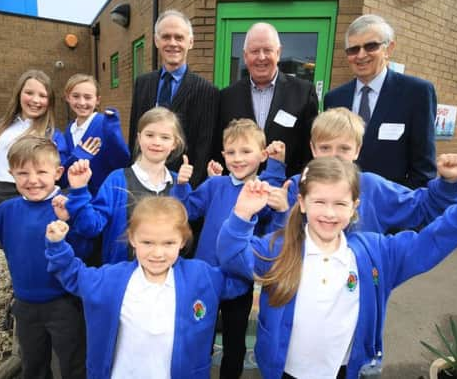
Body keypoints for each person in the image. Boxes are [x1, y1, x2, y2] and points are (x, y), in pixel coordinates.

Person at [217, 157, 457, 379]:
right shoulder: (278, 248)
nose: (329, 213)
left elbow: (428, 245)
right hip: (284, 370)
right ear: (301, 203)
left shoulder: (375, 252)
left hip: (345, 370)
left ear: (354, 207)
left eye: (340, 203)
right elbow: (232, 257)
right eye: (319, 202)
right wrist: (242, 214)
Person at [45, 196, 250, 379]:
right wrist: (57, 245)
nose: (158, 253)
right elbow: (74, 276)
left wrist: (243, 221)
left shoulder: (202, 277)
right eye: (148, 242)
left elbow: (240, 277)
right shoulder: (111, 279)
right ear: (133, 239)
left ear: (182, 241)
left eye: (168, 243)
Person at [0, 136, 88, 379]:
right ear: (11, 174)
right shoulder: (7, 210)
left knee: (73, 363)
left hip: (65, 302)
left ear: (58, 173)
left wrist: (70, 221)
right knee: (33, 363)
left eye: (41, 172)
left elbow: (85, 247)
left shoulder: (66, 206)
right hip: (25, 304)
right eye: (23, 173)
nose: (33, 180)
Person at [174, 118, 288, 379]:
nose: (238, 159)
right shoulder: (215, 185)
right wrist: (181, 185)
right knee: (199, 336)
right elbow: (187, 211)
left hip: (239, 282)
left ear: (262, 155)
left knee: (235, 344)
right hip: (205, 278)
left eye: (246, 151)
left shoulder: (264, 192)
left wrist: (282, 211)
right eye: (232, 152)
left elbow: (275, 237)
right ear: (224, 155)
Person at [261, 107, 457, 233]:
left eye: (344, 148)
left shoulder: (373, 186)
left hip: (359, 289)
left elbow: (424, 207)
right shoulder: (295, 185)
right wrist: (281, 208)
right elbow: (272, 238)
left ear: (357, 150)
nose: (334, 155)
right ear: (313, 149)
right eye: (325, 148)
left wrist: (448, 184)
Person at [59, 107, 193, 264]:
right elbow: (90, 227)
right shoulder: (117, 180)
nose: (156, 142)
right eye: (150, 135)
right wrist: (79, 190)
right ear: (139, 137)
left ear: (175, 143)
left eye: (165, 137)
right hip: (121, 276)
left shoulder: (180, 183)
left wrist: (183, 187)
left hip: (164, 278)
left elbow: (183, 229)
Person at [324, 14, 437, 189]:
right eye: (353, 49)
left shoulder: (416, 93)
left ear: (388, 49)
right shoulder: (334, 98)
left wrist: (400, 207)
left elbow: (424, 167)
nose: (361, 55)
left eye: (370, 46)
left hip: (392, 207)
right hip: (340, 204)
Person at [128, 9, 219, 187]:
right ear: (156, 41)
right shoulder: (142, 83)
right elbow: (134, 135)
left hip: (182, 187)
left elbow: (203, 149)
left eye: (179, 37)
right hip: (142, 183)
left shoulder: (207, 92)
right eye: (166, 37)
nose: (172, 43)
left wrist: (188, 191)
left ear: (190, 42)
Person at [216, 22, 318, 177]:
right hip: (239, 191)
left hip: (284, 191)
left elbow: (309, 151)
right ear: (245, 56)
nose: (261, 57)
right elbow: (220, 148)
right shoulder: (227, 97)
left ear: (278, 52)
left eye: (268, 50)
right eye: (255, 51)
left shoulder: (303, 93)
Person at [0, 69, 67, 207]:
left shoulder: (53, 136)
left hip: (35, 196)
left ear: (49, 101)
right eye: (29, 93)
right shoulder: (3, 128)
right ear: (19, 94)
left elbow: (62, 176)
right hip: (0, 194)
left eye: (43, 95)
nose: (35, 100)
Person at [61, 73, 130, 196]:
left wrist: (113, 134)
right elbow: (63, 174)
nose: (82, 102)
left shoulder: (105, 124)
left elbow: (122, 163)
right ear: (67, 97)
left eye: (88, 97)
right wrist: (79, 156)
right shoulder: (68, 130)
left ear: (97, 100)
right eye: (76, 96)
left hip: (105, 196)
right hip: (78, 195)